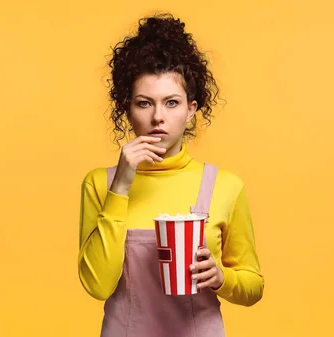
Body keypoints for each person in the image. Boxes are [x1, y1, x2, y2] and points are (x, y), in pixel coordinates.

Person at [78, 13, 264, 337]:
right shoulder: (100, 184)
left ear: (191, 110)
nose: (158, 117)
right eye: (144, 103)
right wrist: (121, 185)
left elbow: (254, 285)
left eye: (172, 103)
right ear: (127, 108)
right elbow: (97, 285)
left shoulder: (224, 186)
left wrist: (222, 278)